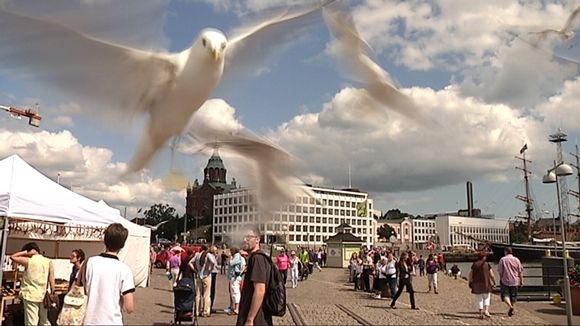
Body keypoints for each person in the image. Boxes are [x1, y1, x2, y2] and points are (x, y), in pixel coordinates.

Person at [81, 223, 135, 325]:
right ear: (122, 245)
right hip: (112, 321)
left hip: (90, 321)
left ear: (105, 240)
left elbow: (86, 290)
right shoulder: (124, 270)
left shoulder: (90, 262)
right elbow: (129, 308)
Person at [10, 242, 56, 326]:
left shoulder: (29, 260)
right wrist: (52, 292)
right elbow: (52, 279)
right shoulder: (48, 261)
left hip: (30, 294)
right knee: (44, 320)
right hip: (43, 295)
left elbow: (13, 257)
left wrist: (25, 252)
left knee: (31, 321)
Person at [236, 227, 272, 326]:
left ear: (257, 239)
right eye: (244, 237)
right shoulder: (254, 258)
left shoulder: (258, 259)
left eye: (248, 237)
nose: (244, 240)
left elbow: (260, 290)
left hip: (257, 318)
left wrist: (250, 319)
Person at [498, 247, 523, 317]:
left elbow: (500, 271)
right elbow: (520, 271)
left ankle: (509, 306)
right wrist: (521, 281)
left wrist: (501, 278)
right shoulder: (517, 260)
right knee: (513, 296)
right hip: (515, 280)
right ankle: (512, 307)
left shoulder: (502, 259)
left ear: (506, 252)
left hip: (505, 280)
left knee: (505, 295)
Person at [469, 252, 496, 319]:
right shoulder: (487, 264)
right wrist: (494, 282)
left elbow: (470, 275)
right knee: (487, 298)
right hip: (486, 284)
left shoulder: (474, 264)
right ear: (484, 257)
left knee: (479, 299)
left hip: (477, 284)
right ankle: (486, 310)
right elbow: (491, 275)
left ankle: (480, 313)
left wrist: (470, 282)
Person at [193, 245, 216, 317]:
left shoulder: (197, 255)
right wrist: (210, 269)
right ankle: (205, 311)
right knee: (206, 294)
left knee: (198, 295)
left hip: (199, 276)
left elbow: (190, 262)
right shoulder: (208, 255)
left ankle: (197, 311)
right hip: (206, 275)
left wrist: (195, 270)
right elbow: (213, 262)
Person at [225, 246, 245, 316]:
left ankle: (236, 308)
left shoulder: (236, 257)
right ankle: (235, 307)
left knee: (235, 292)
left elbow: (231, 263)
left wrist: (230, 257)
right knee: (234, 292)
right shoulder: (238, 257)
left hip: (235, 277)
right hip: (234, 277)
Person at [209, 245, 220, 313]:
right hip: (211, 273)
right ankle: (209, 307)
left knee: (212, 291)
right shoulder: (211, 256)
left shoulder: (215, 257)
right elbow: (215, 265)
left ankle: (210, 306)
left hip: (213, 273)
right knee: (211, 291)